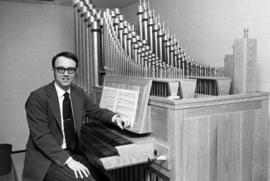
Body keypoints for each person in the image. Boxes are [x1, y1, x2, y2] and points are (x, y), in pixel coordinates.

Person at [22, 52, 130, 181]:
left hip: (73, 152)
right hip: (47, 157)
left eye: (70, 69)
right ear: (53, 70)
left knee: (106, 178)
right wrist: (68, 161)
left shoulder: (79, 93)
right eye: (61, 69)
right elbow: (41, 137)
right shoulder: (38, 97)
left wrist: (115, 117)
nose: (66, 73)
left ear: (76, 72)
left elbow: (96, 112)